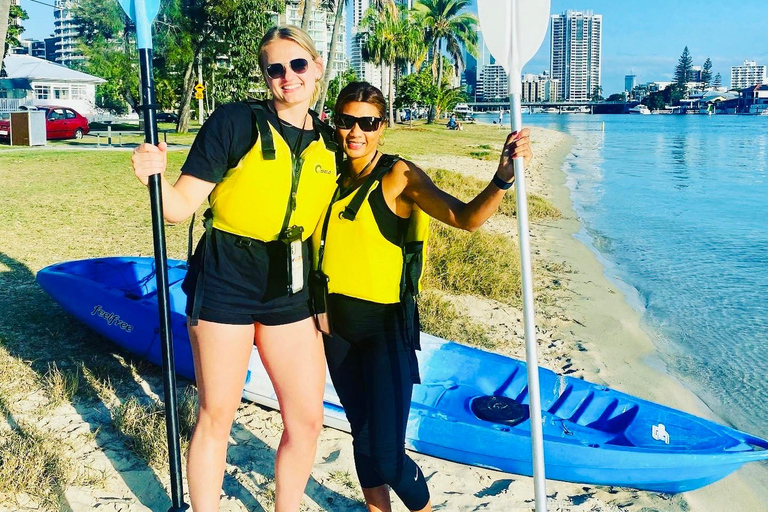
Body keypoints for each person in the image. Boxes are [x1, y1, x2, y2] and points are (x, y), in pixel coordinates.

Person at [131, 26, 339, 512]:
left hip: (290, 287)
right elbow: (179, 207)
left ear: (317, 68)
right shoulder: (233, 122)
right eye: (275, 68)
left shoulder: (331, 141)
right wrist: (153, 177)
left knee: (307, 419)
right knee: (217, 414)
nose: (288, 77)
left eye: (298, 65)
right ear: (265, 76)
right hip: (226, 279)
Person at [311, 82, 532, 512]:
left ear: (383, 126)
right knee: (362, 434)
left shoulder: (399, 176)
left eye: (367, 123)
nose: (355, 132)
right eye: (346, 121)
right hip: (335, 331)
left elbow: (465, 217)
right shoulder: (331, 175)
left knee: (389, 456)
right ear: (335, 124)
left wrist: (502, 177)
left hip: (384, 330)